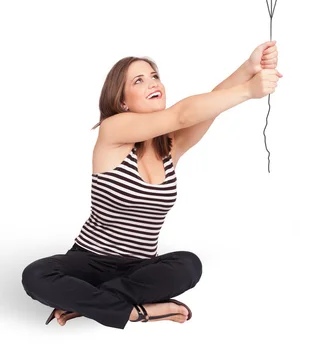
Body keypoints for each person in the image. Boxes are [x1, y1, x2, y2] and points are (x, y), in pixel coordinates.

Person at [21, 40, 282, 329]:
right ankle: (136, 312)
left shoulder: (172, 146)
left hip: (139, 268)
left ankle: (89, 305)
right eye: (139, 80)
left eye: (154, 76)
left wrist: (248, 68)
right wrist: (248, 91)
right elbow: (182, 114)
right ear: (122, 102)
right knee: (35, 275)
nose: (152, 83)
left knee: (189, 264)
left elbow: (209, 106)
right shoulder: (113, 130)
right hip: (89, 260)